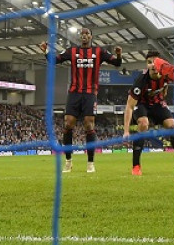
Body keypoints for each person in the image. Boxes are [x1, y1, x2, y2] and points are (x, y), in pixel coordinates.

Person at [39, 27, 122, 173]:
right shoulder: (72, 51)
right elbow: (55, 60)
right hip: (74, 93)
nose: (84, 36)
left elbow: (116, 63)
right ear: (80, 37)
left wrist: (119, 55)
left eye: (87, 34)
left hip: (90, 93)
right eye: (82, 34)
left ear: (91, 36)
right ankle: (68, 161)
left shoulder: (99, 51)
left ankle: (90, 162)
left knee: (89, 125)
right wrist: (45, 51)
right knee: (68, 123)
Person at [122, 51, 174, 175]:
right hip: (142, 104)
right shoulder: (141, 81)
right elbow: (129, 106)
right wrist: (126, 131)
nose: (153, 65)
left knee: (172, 126)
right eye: (149, 62)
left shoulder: (166, 74)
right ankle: (136, 166)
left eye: (155, 61)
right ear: (146, 65)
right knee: (143, 124)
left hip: (157, 104)